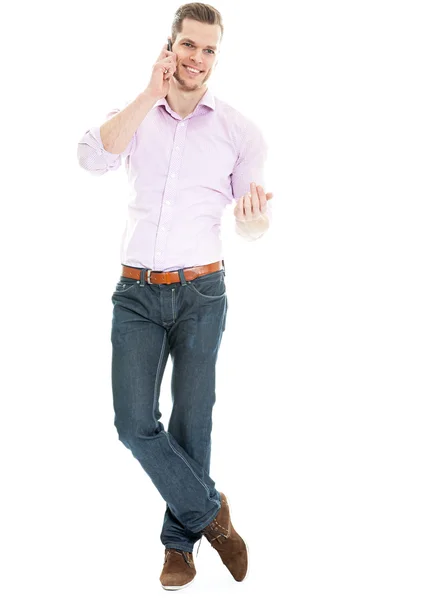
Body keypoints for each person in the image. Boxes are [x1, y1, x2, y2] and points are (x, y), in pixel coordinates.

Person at [77, 2, 273, 591]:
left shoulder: (240, 131)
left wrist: (253, 219)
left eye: (209, 50)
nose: (198, 59)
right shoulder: (137, 115)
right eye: (188, 46)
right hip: (136, 294)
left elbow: (253, 226)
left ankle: (178, 546)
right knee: (133, 422)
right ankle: (212, 513)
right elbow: (90, 156)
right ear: (170, 46)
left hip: (202, 293)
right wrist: (146, 92)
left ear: (218, 55)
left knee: (193, 420)